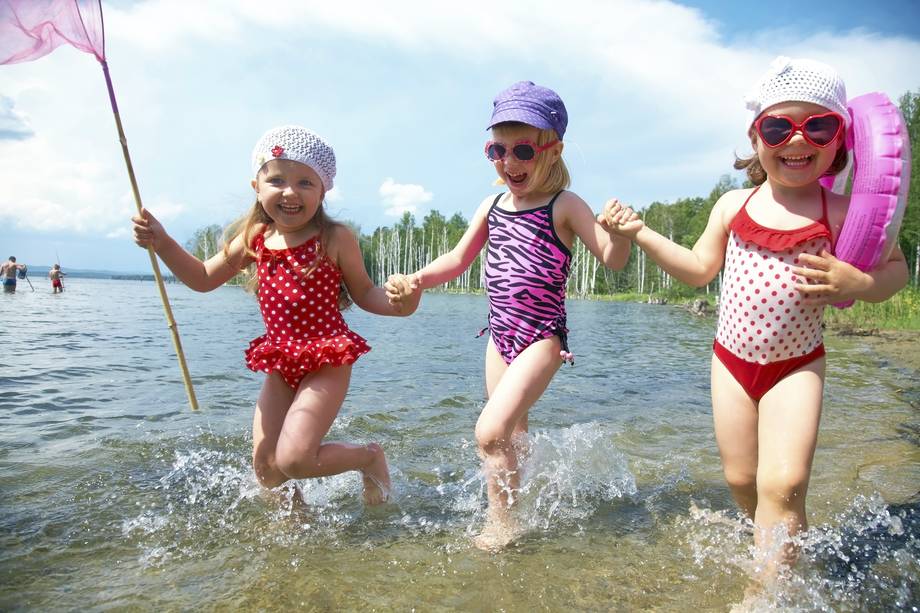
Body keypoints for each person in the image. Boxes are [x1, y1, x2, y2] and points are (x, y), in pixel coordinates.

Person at [602, 57, 908, 578]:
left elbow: (896, 269)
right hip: (731, 362)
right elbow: (699, 271)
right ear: (756, 134)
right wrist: (642, 235)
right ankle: (784, 543)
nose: (797, 141)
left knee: (783, 482)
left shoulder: (841, 212)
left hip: (797, 364)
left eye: (818, 126)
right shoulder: (732, 205)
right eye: (778, 126)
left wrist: (861, 283)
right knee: (743, 478)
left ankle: (767, 590)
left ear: (841, 139)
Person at [385, 81, 636, 550]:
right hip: (499, 336)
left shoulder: (564, 205)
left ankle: (502, 526)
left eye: (523, 149)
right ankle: (523, 503)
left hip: (542, 337)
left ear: (553, 149)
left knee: (490, 431)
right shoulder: (493, 204)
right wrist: (417, 278)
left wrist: (619, 233)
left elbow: (612, 258)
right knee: (512, 437)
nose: (509, 162)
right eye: (497, 150)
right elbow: (458, 259)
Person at [132, 126, 419, 504]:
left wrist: (404, 303)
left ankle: (368, 457)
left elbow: (365, 293)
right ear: (257, 185)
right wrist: (163, 243)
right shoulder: (254, 238)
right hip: (281, 360)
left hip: (327, 359)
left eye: (305, 182)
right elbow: (202, 279)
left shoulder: (334, 238)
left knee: (295, 458)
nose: (289, 192)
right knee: (267, 468)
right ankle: (296, 540)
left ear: (323, 190)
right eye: (277, 180)